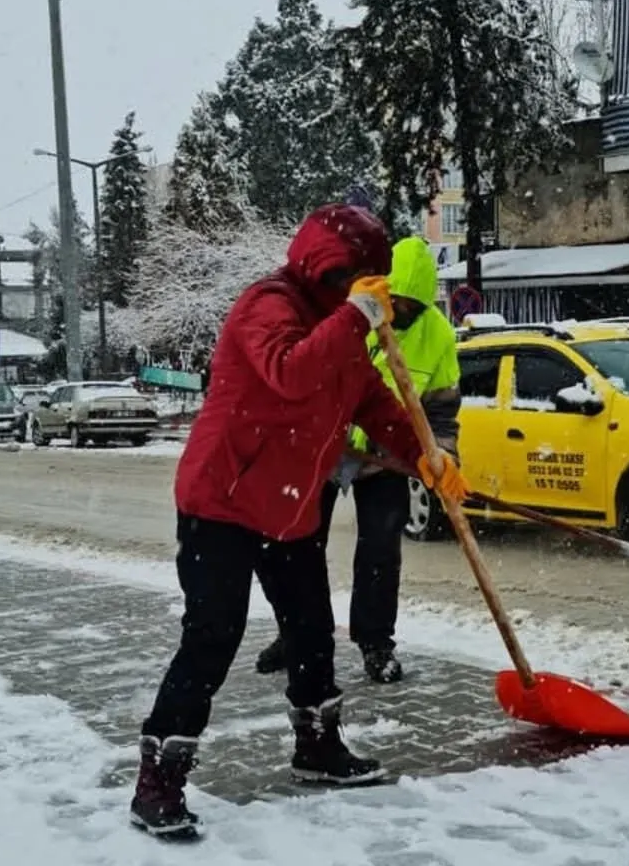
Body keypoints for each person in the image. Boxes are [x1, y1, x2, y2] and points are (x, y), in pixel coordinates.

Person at [129, 204, 468, 838]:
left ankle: (317, 748)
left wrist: (428, 458)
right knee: (213, 636)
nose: (363, 291)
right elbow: (290, 371)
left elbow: (377, 404)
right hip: (221, 504)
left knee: (312, 630)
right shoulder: (270, 305)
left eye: (372, 280)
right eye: (354, 278)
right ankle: (159, 781)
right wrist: (355, 316)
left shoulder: (342, 329)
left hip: (288, 507)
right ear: (325, 266)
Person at [256, 235, 461, 684]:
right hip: (323, 451)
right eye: (399, 302)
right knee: (297, 549)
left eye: (415, 306)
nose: (404, 312)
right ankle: (298, 635)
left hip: (385, 458)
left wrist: (442, 458)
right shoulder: (346, 315)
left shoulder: (438, 336)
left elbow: (442, 408)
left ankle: (376, 643)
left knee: (380, 552)